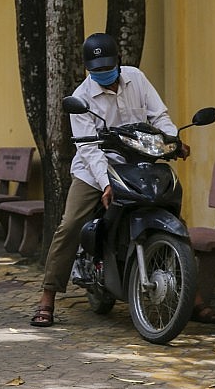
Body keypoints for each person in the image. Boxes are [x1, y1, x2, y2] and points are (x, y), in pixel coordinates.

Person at [30, 33, 190, 327]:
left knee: (170, 208)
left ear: (118, 61)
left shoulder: (136, 79)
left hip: (139, 163)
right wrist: (105, 182)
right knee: (70, 224)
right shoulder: (81, 98)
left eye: (108, 66)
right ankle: (48, 296)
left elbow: (160, 116)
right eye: (97, 69)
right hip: (94, 171)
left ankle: (193, 295)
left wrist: (173, 141)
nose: (104, 73)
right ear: (88, 68)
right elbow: (88, 149)